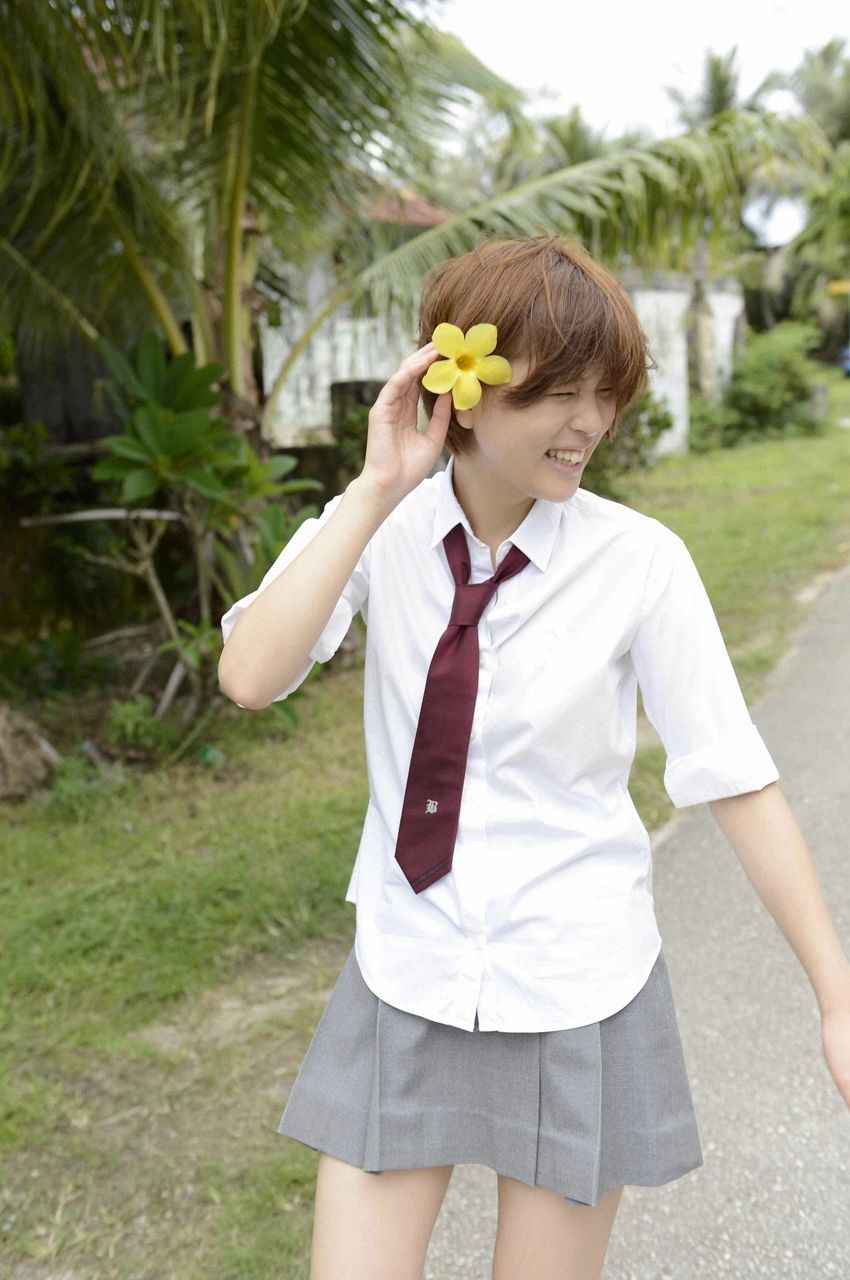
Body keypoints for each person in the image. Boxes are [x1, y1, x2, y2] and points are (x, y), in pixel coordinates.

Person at [218, 235, 850, 1280]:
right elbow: (249, 675)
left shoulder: (639, 562)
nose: (590, 422)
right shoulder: (381, 529)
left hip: (575, 979)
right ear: (463, 391)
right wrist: (373, 490)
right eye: (560, 393)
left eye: (607, 394)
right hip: (408, 965)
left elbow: (735, 778)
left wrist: (835, 992)